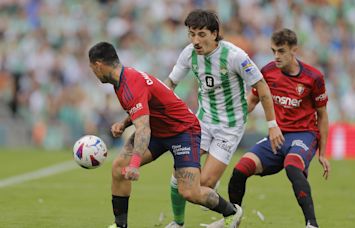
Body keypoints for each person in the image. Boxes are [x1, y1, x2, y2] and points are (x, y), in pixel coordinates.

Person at [88, 41, 243, 228]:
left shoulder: (130, 83)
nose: (93, 72)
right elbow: (142, 110)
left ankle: (232, 213)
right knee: (119, 167)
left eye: (91, 67)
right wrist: (124, 122)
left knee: (190, 192)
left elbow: (143, 128)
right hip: (158, 129)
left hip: (183, 131)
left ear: (98, 65)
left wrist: (135, 165)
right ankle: (120, 225)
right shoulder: (121, 80)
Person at [163, 9, 284, 228]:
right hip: (201, 122)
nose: (195, 40)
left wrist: (272, 124)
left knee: (203, 185)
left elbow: (261, 86)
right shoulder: (188, 53)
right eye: (191, 34)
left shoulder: (235, 56)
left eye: (201, 34)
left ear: (215, 33)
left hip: (229, 127)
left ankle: (232, 212)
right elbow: (169, 85)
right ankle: (177, 223)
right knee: (180, 174)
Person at [218, 28, 331, 228]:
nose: (276, 56)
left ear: (294, 50)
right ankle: (232, 221)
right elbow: (251, 101)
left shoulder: (313, 78)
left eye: (281, 51)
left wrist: (322, 152)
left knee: (292, 165)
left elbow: (322, 115)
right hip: (277, 135)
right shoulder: (268, 72)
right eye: (273, 51)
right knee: (240, 170)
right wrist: (230, 118)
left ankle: (312, 224)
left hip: (304, 135)